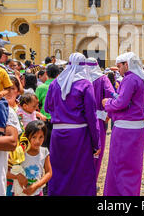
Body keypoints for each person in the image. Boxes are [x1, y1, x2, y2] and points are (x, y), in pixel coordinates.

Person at [44, 53, 100, 196]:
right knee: (81, 173)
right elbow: (91, 116)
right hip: (78, 135)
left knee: (58, 170)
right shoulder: (85, 84)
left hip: (57, 134)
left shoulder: (56, 83)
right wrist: (96, 142)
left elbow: (47, 107)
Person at [102, 52, 144, 196]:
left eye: (119, 66)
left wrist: (107, 103)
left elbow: (121, 103)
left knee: (119, 164)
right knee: (133, 166)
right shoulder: (140, 78)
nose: (119, 70)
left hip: (125, 128)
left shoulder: (130, 79)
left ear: (126, 64)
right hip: (138, 127)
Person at [85, 57, 115, 179]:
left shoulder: (79, 79)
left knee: (83, 149)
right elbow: (111, 96)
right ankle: (93, 179)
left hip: (82, 120)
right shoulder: (103, 79)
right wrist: (109, 114)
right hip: (98, 119)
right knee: (97, 149)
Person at [7, 120, 52, 196]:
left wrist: (36, 186)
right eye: (34, 137)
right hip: (19, 193)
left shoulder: (44, 152)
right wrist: (17, 176)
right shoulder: (19, 152)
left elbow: (49, 173)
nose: (37, 141)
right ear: (27, 136)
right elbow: (5, 172)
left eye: (41, 137)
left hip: (37, 193)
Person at [35, 64, 60, 148]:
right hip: (59, 121)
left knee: (44, 146)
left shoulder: (41, 87)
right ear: (58, 74)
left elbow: (35, 104)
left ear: (46, 73)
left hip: (44, 120)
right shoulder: (62, 86)